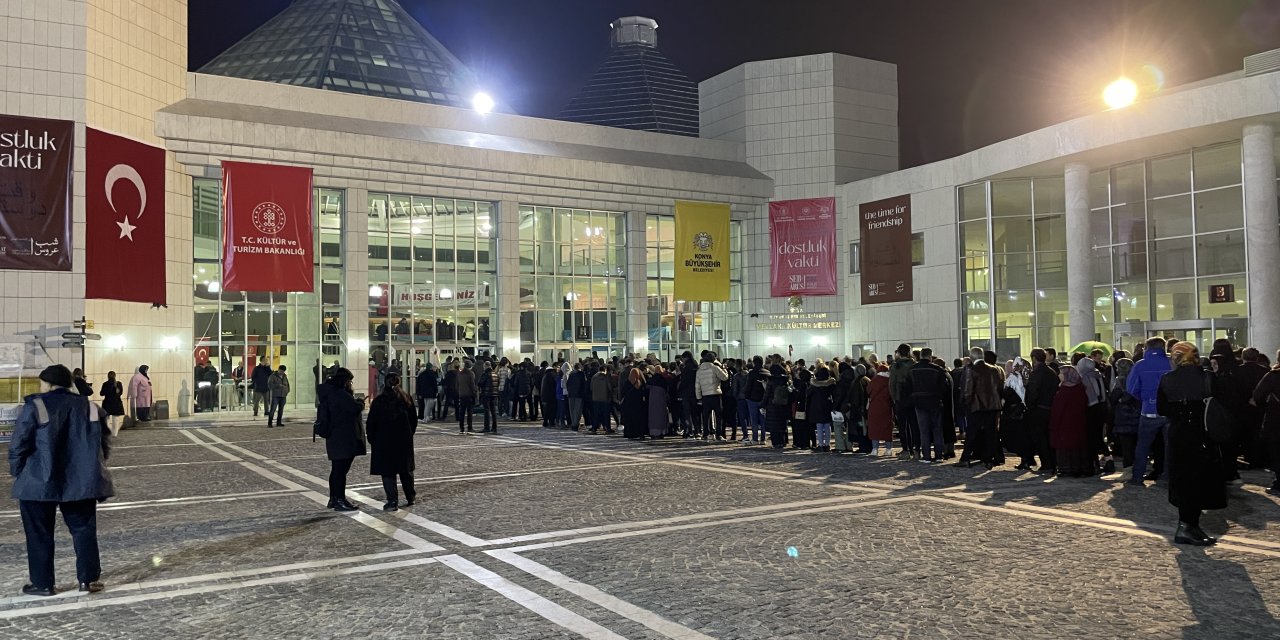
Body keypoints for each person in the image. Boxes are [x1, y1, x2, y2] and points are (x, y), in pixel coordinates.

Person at [9, 364, 115, 596]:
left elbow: (19, 445)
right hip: (81, 483)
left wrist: (19, 472)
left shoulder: (35, 406)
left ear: (47, 383)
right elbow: (103, 446)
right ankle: (88, 581)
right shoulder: (90, 407)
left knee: (38, 534)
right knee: (83, 529)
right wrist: (92, 470)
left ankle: (43, 583)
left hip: (37, 482)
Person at [1158, 342, 1226, 545]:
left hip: (1179, 433)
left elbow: (1162, 409)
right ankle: (1189, 526)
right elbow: (1219, 404)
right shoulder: (1206, 377)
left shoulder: (1167, 379)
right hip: (1201, 433)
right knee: (1200, 478)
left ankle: (1188, 525)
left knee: (1183, 478)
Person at [366, 373, 417, 512]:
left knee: (388, 472)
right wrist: (409, 433)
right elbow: (414, 420)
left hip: (384, 441)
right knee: (405, 470)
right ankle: (410, 496)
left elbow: (371, 422)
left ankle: (392, 500)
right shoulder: (406, 399)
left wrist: (372, 438)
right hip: (403, 440)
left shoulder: (379, 401)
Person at [317, 368, 365, 512]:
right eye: (349, 381)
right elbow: (353, 408)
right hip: (343, 438)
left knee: (337, 470)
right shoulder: (339, 395)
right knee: (340, 471)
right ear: (344, 382)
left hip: (335, 437)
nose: (351, 384)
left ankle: (334, 498)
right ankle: (339, 499)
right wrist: (361, 403)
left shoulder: (330, 394)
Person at [1128, 337, 1172, 485]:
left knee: (1143, 446)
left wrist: (1145, 399)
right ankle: (1167, 477)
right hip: (1169, 411)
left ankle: (1138, 477)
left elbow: (1132, 388)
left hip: (1148, 410)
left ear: (1147, 348)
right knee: (1169, 446)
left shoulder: (1140, 365)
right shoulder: (1171, 363)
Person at [962, 349, 1005, 469]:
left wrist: (967, 403)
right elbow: (1000, 387)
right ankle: (988, 460)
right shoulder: (994, 369)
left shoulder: (972, 369)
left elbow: (968, 390)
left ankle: (965, 458)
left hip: (977, 406)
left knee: (972, 432)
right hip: (993, 405)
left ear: (971, 357)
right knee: (990, 433)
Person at [907, 348, 951, 463]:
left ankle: (926, 456)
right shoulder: (937, 369)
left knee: (924, 430)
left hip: (919, 402)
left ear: (920, 356)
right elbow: (944, 387)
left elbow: (907, 387)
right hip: (935, 401)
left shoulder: (912, 370)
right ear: (930, 356)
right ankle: (938, 456)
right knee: (937, 429)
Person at [1050, 366, 1093, 477]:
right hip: (1078, 422)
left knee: (1065, 446)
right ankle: (1079, 467)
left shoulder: (1064, 391)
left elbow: (1058, 409)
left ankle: (1066, 469)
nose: (1059, 375)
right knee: (1077, 445)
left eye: (1061, 373)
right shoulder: (1080, 388)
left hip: (1065, 423)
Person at [1024, 349, 1059, 474]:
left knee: (1041, 438)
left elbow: (1033, 393)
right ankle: (1053, 462)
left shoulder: (1037, 373)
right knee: (1049, 437)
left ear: (1034, 358)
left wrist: (1029, 406)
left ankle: (1046, 464)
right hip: (1050, 408)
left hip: (1039, 409)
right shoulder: (1051, 372)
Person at [1252, 349, 1280, 495]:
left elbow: (1258, 394)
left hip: (1276, 418)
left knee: (1277, 451)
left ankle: (1279, 484)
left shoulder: (1273, 376)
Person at [1108, 358, 1141, 470]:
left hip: (1123, 417)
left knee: (1127, 447)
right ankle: (1138, 469)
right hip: (1137, 415)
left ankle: (1128, 469)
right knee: (1136, 446)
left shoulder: (1120, 381)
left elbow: (1114, 398)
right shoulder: (1137, 378)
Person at [1077, 356, 1108, 473]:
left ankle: (1091, 464)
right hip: (1101, 407)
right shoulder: (1097, 374)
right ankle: (1096, 464)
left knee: (1090, 438)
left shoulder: (1085, 376)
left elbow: (1088, 395)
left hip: (1091, 409)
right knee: (1097, 437)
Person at [888, 344, 918, 460]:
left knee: (903, 426)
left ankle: (906, 450)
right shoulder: (914, 364)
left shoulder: (896, 366)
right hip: (913, 398)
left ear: (899, 353)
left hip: (900, 398)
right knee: (914, 425)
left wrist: (894, 398)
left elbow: (892, 384)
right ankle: (916, 449)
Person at [1002, 358, 1030, 469]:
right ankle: (1027, 459)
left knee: (1018, 438)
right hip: (1020, 411)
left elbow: (1016, 395)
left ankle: (1026, 460)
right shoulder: (1024, 377)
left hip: (1015, 413)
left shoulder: (1014, 378)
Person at [695, 351, 730, 441]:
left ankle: (705, 434)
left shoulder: (699, 370)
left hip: (705, 395)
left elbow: (697, 385)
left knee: (706, 416)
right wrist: (724, 368)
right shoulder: (715, 368)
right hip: (716, 394)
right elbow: (725, 377)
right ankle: (719, 434)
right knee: (718, 416)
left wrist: (699, 397)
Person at [806, 365, 836, 452]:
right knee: (827, 426)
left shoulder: (815, 384)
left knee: (819, 427)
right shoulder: (831, 384)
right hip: (827, 406)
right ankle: (827, 444)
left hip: (817, 407)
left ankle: (820, 445)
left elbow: (808, 394)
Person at [867, 363, 894, 456]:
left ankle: (875, 449)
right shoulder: (890, 381)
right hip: (886, 407)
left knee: (874, 428)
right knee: (887, 428)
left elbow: (868, 391)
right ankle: (888, 449)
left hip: (874, 407)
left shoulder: (874, 381)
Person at [764, 364, 792, 449]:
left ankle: (775, 443)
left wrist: (762, 404)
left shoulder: (771, 381)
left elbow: (767, 394)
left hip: (772, 405)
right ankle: (782, 442)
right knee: (781, 424)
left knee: (773, 427)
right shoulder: (785, 380)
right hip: (783, 405)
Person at [621, 367, 649, 439]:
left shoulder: (627, 383)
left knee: (630, 420)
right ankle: (640, 434)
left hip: (629, 405)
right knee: (640, 420)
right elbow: (645, 392)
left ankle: (630, 434)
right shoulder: (641, 382)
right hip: (639, 405)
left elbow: (623, 393)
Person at [98, 371, 126, 437]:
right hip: (116, 403)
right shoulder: (118, 384)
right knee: (116, 419)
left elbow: (101, 393)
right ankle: (115, 433)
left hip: (107, 403)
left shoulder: (105, 384)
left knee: (106, 419)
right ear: (115, 376)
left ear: (108, 376)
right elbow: (121, 392)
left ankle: (108, 431)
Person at [590, 365, 616, 434]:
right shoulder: (606, 377)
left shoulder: (594, 377)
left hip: (595, 398)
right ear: (605, 370)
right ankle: (607, 428)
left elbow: (591, 387)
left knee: (596, 414)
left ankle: (594, 428)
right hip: (605, 398)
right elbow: (610, 388)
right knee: (606, 415)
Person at [455, 360, 478, 433]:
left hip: (461, 394)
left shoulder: (459, 373)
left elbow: (456, 385)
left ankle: (461, 427)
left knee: (462, 411)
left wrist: (459, 391)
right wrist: (475, 393)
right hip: (469, 394)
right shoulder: (470, 374)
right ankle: (469, 427)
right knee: (469, 412)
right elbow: (472, 385)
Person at [647, 366, 670, 438]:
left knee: (653, 416)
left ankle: (654, 432)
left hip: (652, 401)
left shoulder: (651, 379)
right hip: (661, 400)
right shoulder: (663, 379)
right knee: (661, 415)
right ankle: (662, 432)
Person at [478, 360, 500, 434]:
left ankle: (486, 427)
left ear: (486, 366)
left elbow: (480, 383)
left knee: (486, 410)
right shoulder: (495, 374)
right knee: (493, 411)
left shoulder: (485, 374)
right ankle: (494, 427)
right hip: (494, 394)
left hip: (486, 394)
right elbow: (498, 382)